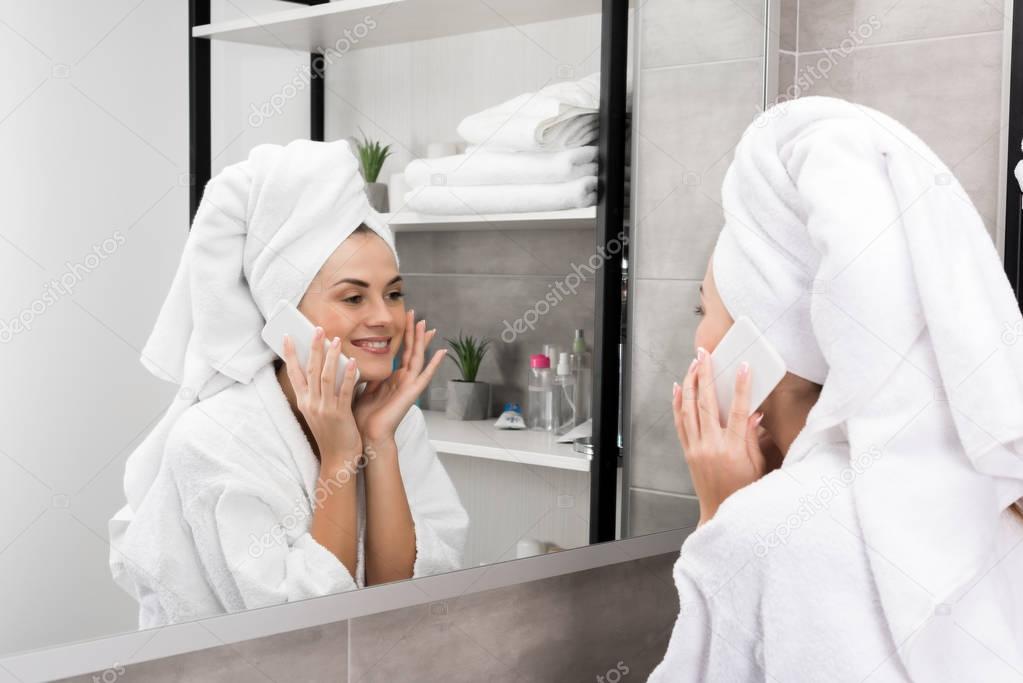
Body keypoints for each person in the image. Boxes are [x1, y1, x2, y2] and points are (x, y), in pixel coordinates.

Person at [649, 96, 1023, 682]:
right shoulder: (991, 493)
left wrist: (719, 516)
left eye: (704, 306)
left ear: (761, 335)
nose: (696, 334)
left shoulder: (768, 531)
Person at [108, 139, 468, 628]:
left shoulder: (395, 422)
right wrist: (341, 457)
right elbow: (301, 630)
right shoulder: (215, 438)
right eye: (353, 298)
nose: (385, 318)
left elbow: (403, 604)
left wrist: (377, 443)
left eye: (394, 293)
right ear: (285, 314)